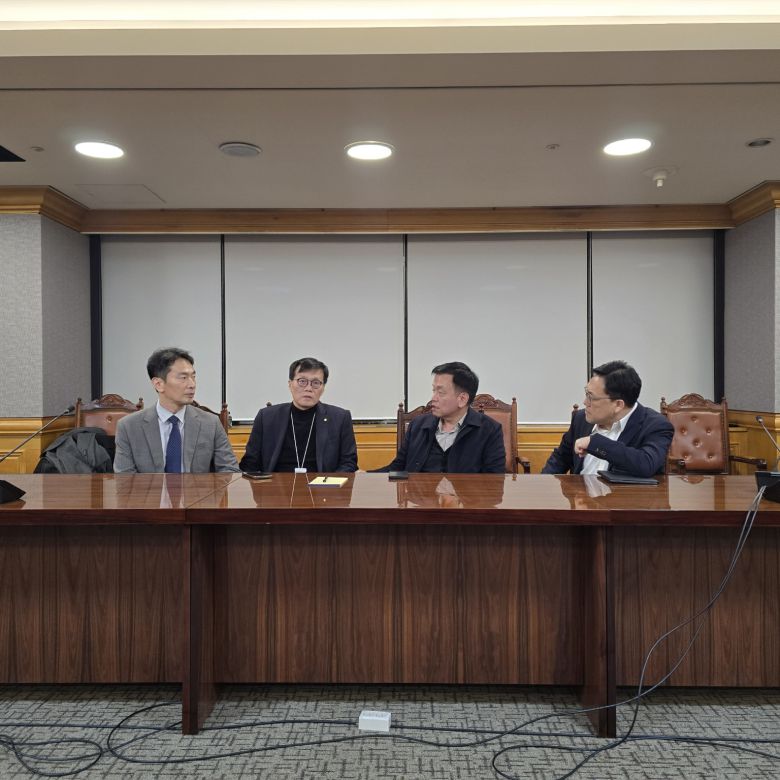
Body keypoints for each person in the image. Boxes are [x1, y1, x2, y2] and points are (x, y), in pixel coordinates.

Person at [114, 347, 239, 473]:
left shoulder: (211, 423)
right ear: (158, 384)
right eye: (183, 377)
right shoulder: (129, 427)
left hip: (198, 487)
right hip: (150, 487)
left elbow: (230, 470)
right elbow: (125, 479)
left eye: (193, 377)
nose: (192, 384)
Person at [542, 360, 673, 477]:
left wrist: (595, 443)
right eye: (586, 393)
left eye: (591, 397)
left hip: (623, 497)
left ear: (618, 405)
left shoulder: (655, 425)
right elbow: (559, 460)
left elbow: (646, 464)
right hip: (580, 495)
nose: (585, 402)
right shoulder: (581, 419)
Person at [377, 361, 505, 473]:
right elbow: (397, 468)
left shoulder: (490, 430)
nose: (433, 398)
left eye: (441, 392)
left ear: (462, 399)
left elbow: (494, 481)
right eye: (434, 390)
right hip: (419, 494)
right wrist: (367, 476)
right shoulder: (417, 425)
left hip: (464, 494)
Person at [239, 357, 358, 473]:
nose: (308, 388)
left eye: (316, 383)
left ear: (323, 388)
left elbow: (348, 463)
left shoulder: (340, 418)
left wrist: (329, 483)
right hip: (275, 484)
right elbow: (250, 463)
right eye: (302, 381)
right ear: (290, 384)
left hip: (322, 484)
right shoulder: (266, 417)